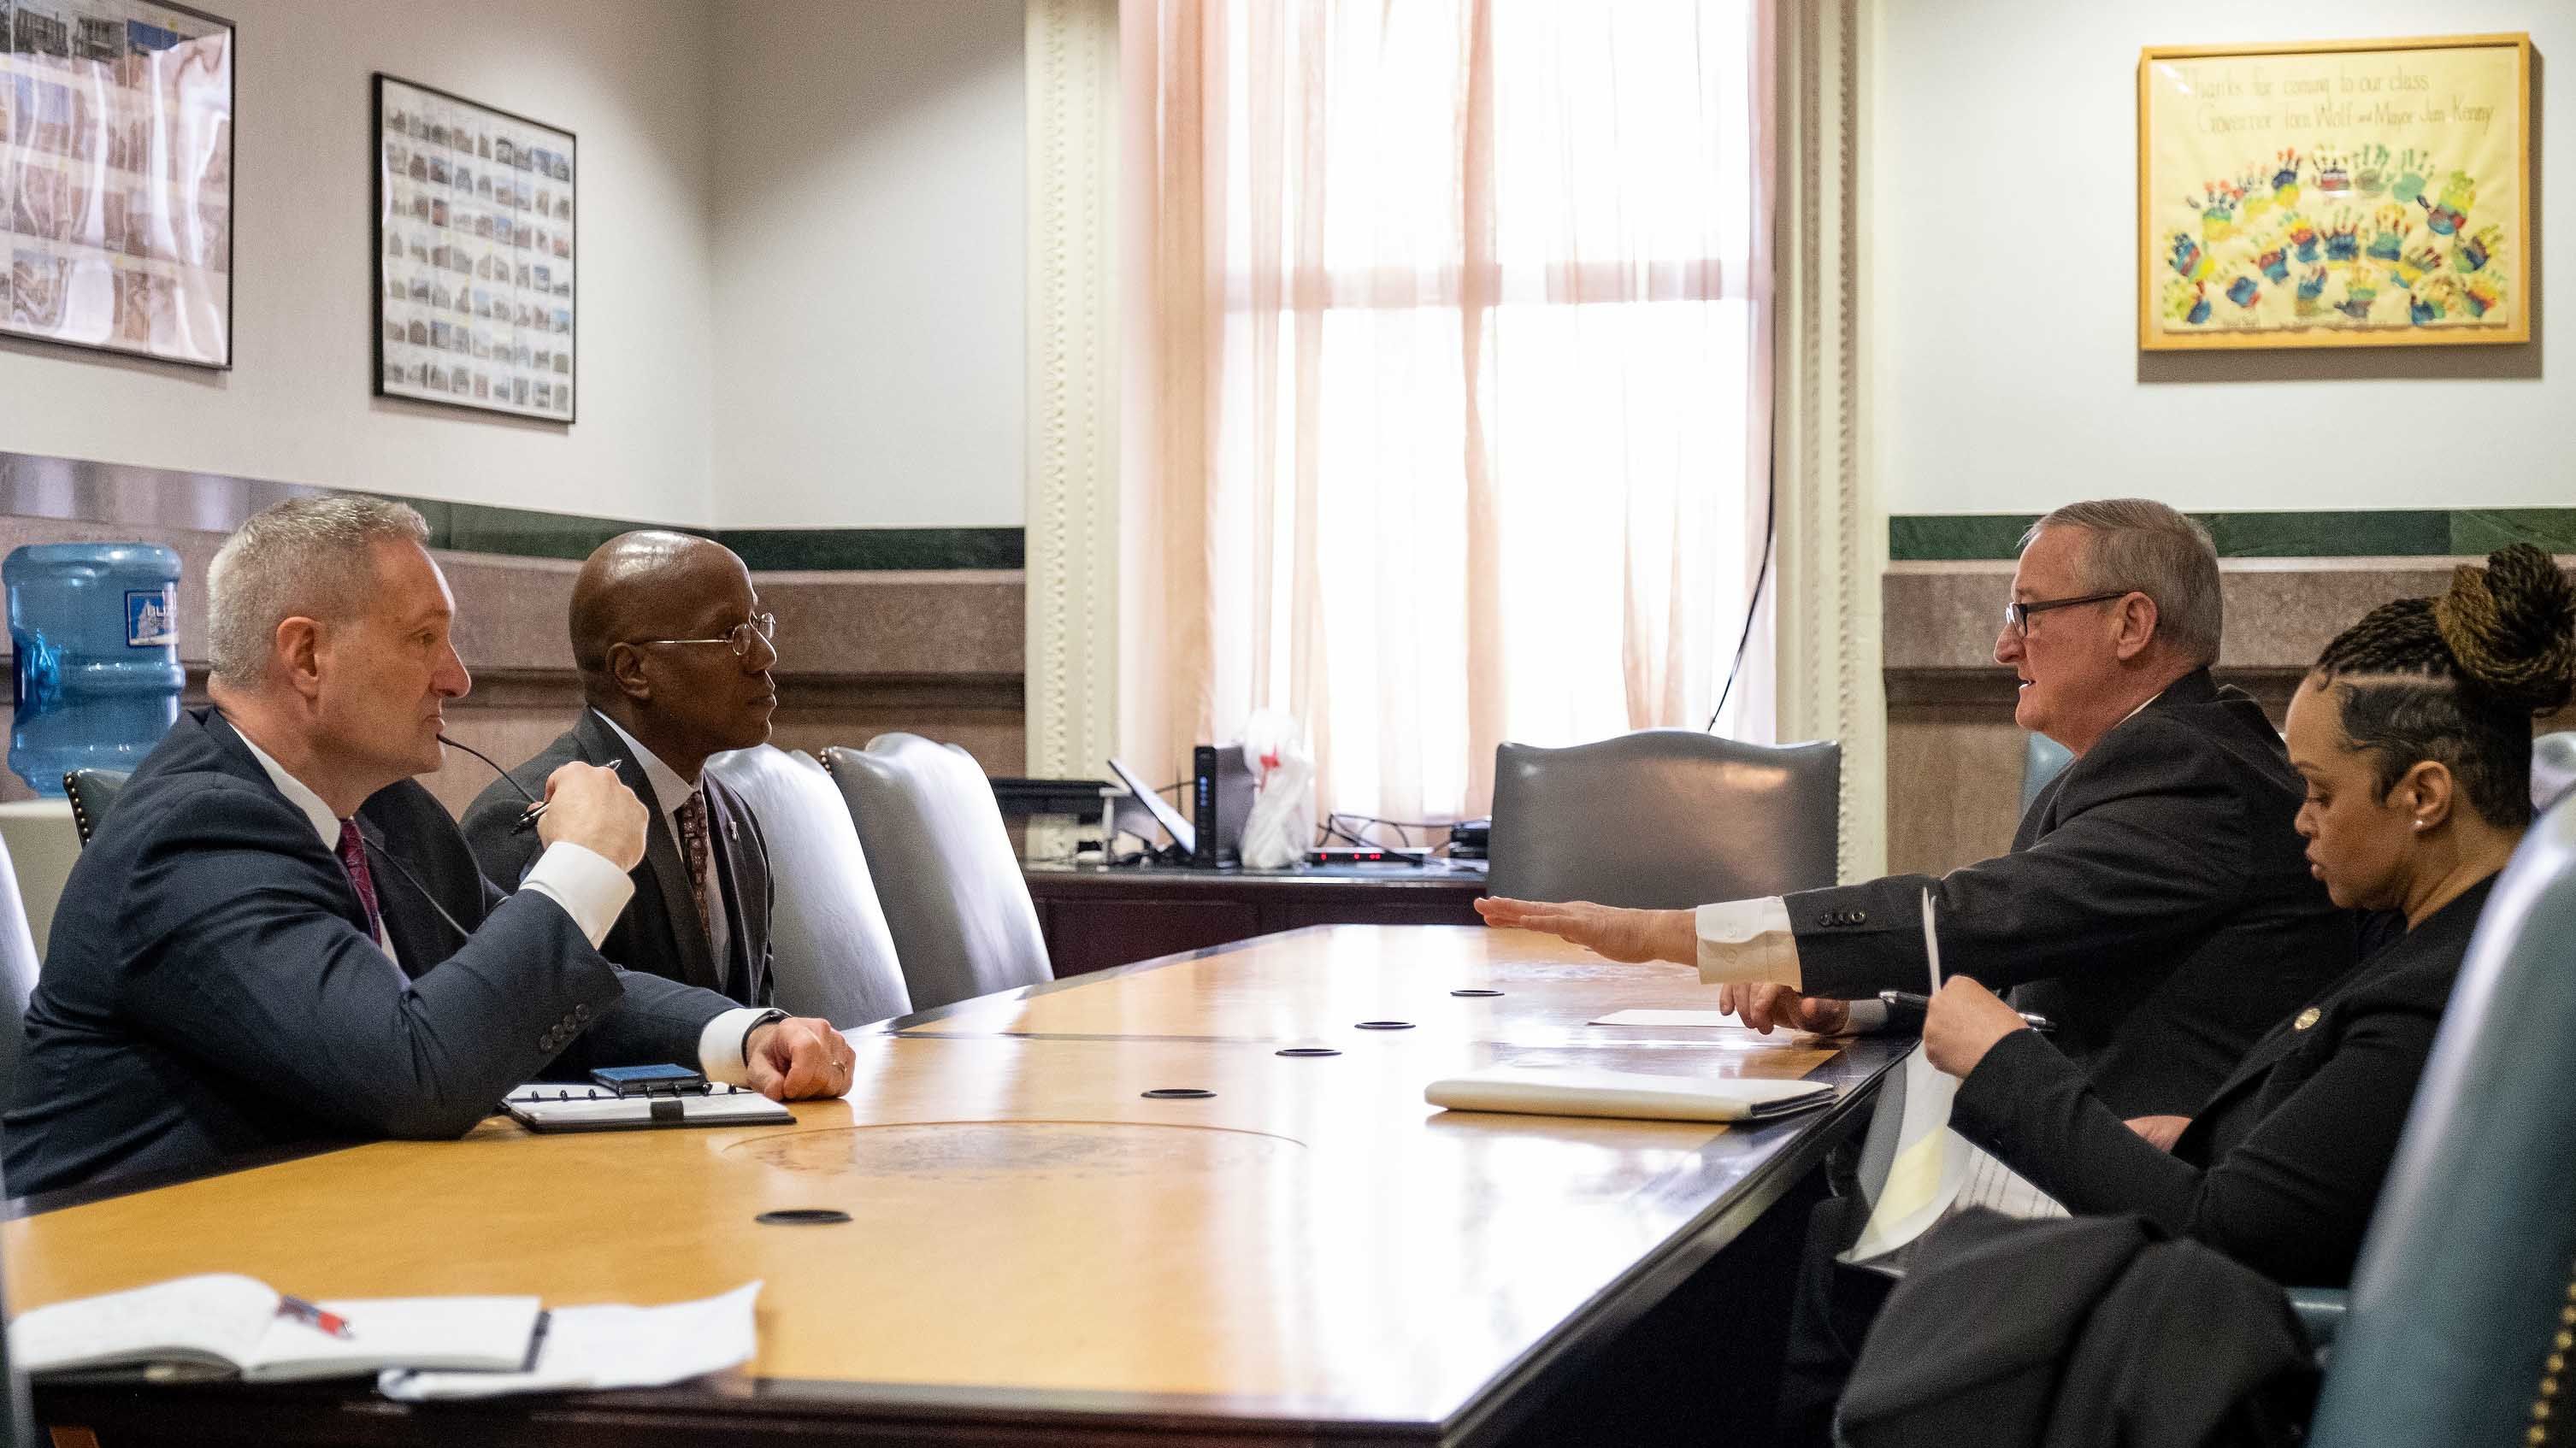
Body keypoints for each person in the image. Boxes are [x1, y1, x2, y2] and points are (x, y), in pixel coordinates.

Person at [2, 497, 850, 1198]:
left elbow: (514, 989)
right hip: (147, 1314)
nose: (457, 676)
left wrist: (738, 1035)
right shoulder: (193, 833)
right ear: (306, 654)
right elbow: (417, 1071)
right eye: (424, 638)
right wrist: (582, 866)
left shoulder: (385, 809)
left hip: (331, 1248)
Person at [1477, 498, 2355, 1115]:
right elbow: (2039, 955)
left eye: (2028, 611)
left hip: (2135, 1191)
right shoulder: (2169, 750)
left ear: (2130, 625)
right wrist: (1848, 1000)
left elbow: (1971, 916)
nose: (2003, 642)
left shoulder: (2191, 770)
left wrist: (1674, 934)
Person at [1927, 542, 2574, 1286]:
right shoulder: (2458, 941)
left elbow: (2220, 1236)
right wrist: (2209, 1139)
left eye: (2320, 793)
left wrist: (2003, 1067)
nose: (2300, 821)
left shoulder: (2433, 995)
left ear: (2422, 797)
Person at [463, 532, 778, 1007]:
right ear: (633, 671)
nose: (763, 656)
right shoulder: (529, 818)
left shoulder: (734, 814)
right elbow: (530, 1024)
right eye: (732, 634)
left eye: (758, 625)